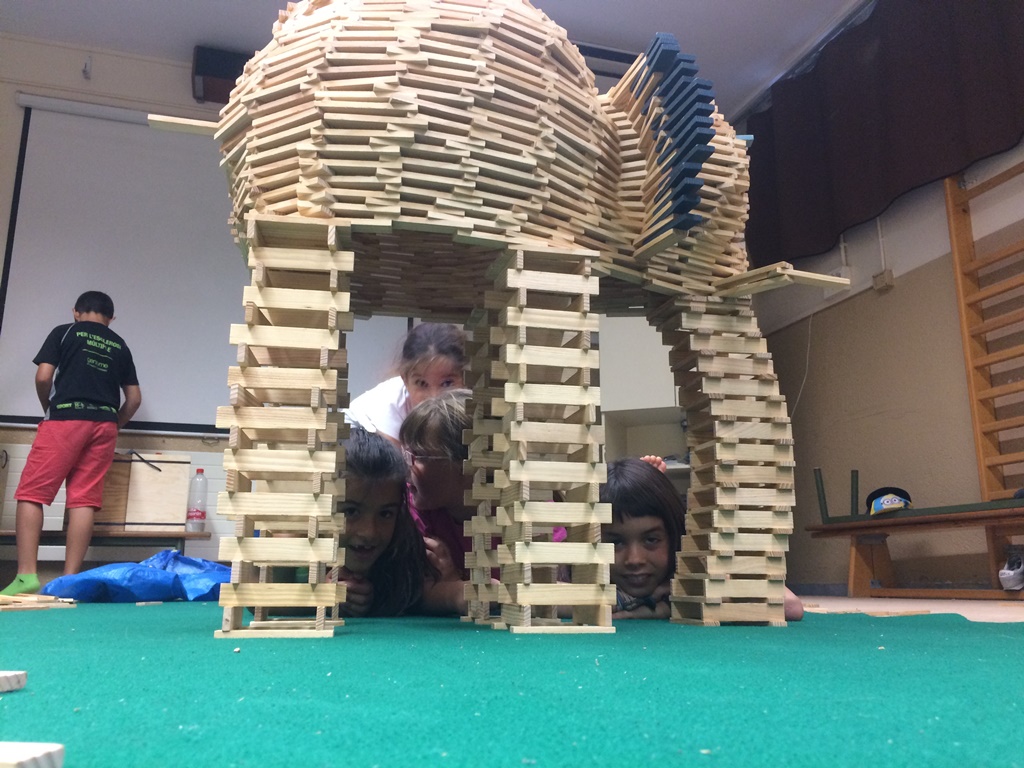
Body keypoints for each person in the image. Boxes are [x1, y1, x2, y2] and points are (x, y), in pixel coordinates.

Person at [1, 291, 141, 597]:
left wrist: (48, 408)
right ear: (111, 318)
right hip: (104, 425)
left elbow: (43, 377)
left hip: (65, 419)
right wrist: (113, 424)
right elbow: (134, 399)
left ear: (76, 312)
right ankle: (70, 581)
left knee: (31, 493)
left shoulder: (65, 331)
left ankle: (26, 576)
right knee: (83, 499)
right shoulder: (120, 345)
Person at [601, 455, 805, 621]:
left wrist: (678, 600)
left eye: (651, 540)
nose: (634, 559)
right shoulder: (598, 583)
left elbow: (791, 606)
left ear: (676, 535)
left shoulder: (694, 568)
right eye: (616, 542)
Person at [334, 427, 439, 616]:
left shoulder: (406, 551)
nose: (369, 532)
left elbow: (420, 597)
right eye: (351, 511)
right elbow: (273, 594)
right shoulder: (294, 541)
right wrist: (318, 596)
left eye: (385, 514)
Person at [398, 388, 476, 614]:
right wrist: (455, 590)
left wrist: (451, 583)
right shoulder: (412, 509)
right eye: (407, 454)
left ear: (468, 466)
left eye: (419, 456)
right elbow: (409, 592)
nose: (407, 466)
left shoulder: (520, 511)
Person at [345, 322, 467, 445]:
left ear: (465, 378)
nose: (434, 396)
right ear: (405, 380)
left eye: (447, 383)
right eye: (422, 383)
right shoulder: (389, 408)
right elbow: (394, 457)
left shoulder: (470, 403)